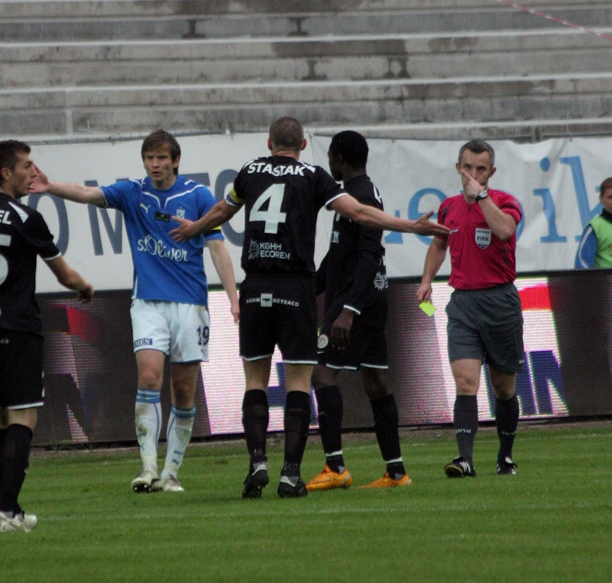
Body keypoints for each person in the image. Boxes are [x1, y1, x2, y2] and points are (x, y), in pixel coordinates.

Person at [170, 117, 449, 499]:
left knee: (255, 380)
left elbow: (222, 210)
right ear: (303, 145)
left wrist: (193, 228)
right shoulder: (315, 176)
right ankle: (289, 475)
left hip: (255, 288)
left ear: (269, 143)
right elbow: (361, 214)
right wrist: (410, 227)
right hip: (294, 289)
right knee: (301, 382)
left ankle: (257, 462)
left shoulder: (250, 171)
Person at [30, 129, 239, 494]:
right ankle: (147, 468)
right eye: (148, 158)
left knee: (184, 391)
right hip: (147, 303)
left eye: (161, 158)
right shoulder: (133, 192)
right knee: (148, 376)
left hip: (190, 303)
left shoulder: (198, 196)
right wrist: (51, 188)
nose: (154, 164)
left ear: (175, 160)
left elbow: (218, 248)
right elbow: (87, 194)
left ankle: (172, 471)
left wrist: (233, 298)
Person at [0, 140, 93, 533]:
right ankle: (7, 510)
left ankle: (11, 510)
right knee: (24, 417)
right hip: (17, 327)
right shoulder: (24, 217)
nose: (32, 172)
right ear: (5, 173)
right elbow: (64, 275)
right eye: (26, 165)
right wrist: (85, 288)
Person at [305, 130, 411, 493]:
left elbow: (369, 255)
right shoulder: (361, 192)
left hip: (355, 304)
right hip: (370, 301)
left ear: (338, 158)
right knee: (377, 382)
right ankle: (396, 473)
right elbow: (339, 255)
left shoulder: (359, 196)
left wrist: (348, 310)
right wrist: (311, 288)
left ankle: (335, 466)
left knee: (321, 375)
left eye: (331, 157)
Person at [416, 138, 523, 478]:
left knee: (503, 388)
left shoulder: (505, 202)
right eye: (468, 167)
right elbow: (438, 244)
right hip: (462, 303)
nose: (473, 174)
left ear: (491, 172)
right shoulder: (447, 207)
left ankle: (505, 456)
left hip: (500, 301)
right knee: (465, 382)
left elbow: (505, 230)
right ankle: (465, 459)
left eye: (481, 169)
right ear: (458, 168)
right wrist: (426, 279)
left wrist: (481, 197)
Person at [575, 177, 612, 268]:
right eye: (610, 197)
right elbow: (582, 264)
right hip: (604, 282)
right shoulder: (595, 228)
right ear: (601, 198)